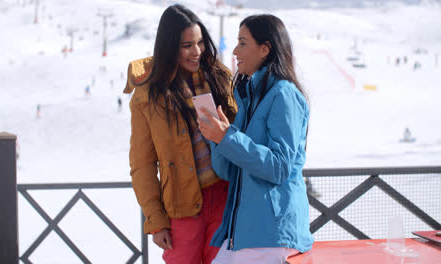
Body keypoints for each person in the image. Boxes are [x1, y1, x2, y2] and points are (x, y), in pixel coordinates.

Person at [123, 4, 237, 264]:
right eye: (187, 45)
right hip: (182, 207)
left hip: (224, 197)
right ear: (169, 47)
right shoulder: (147, 95)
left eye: (199, 43)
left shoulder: (218, 77)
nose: (196, 52)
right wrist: (156, 220)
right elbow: (142, 163)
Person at [197, 14, 314, 263]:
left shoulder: (284, 95)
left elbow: (280, 167)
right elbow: (229, 172)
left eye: (242, 42)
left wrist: (228, 137)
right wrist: (218, 138)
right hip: (243, 234)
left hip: (273, 235)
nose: (235, 51)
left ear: (264, 49)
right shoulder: (247, 99)